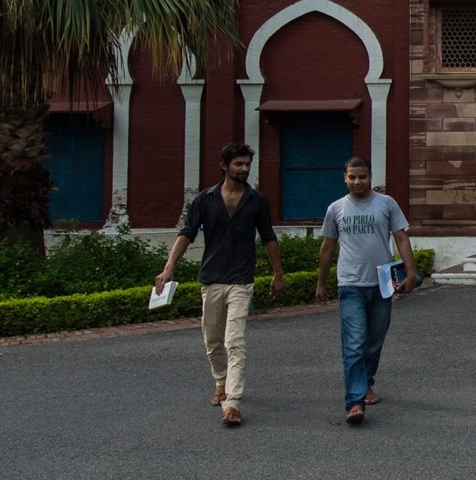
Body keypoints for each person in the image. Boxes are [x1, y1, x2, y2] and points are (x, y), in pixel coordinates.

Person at [154, 142, 285, 428]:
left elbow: (268, 237)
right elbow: (187, 233)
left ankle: (232, 403)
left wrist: (278, 273)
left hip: (241, 280)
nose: (244, 169)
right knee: (212, 340)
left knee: (234, 342)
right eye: (238, 164)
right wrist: (168, 267)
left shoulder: (257, 200)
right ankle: (220, 381)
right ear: (224, 166)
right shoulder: (205, 199)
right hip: (211, 278)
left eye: (247, 164)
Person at [316, 156, 418, 426]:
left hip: (382, 285)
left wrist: (410, 272)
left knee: (374, 342)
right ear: (344, 178)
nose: (357, 182)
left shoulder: (386, 204)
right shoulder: (336, 209)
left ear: (371, 177)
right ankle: (355, 402)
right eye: (352, 177)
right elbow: (327, 248)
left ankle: (366, 382)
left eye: (362, 177)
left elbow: (401, 237)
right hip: (350, 284)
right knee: (354, 344)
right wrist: (321, 283)